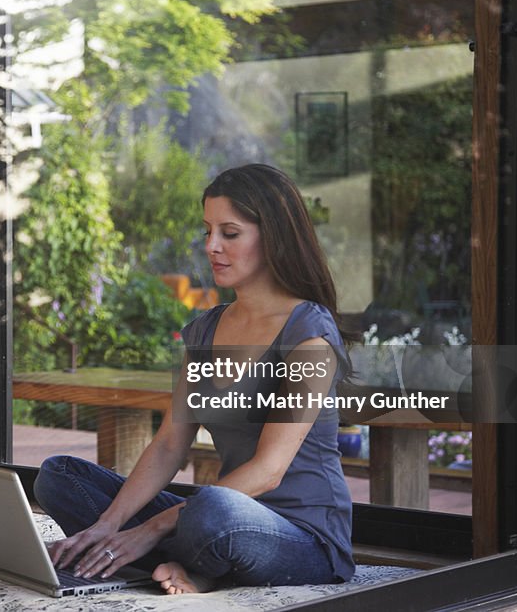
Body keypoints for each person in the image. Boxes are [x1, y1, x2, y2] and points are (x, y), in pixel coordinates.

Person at [33, 164, 354, 594]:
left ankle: (185, 563)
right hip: (220, 517)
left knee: (213, 511)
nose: (212, 246)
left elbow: (268, 471)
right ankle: (170, 561)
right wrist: (107, 525)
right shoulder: (206, 331)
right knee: (60, 477)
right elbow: (169, 445)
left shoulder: (308, 334)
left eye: (230, 233)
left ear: (273, 236)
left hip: (300, 538)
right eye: (207, 232)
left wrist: (149, 529)